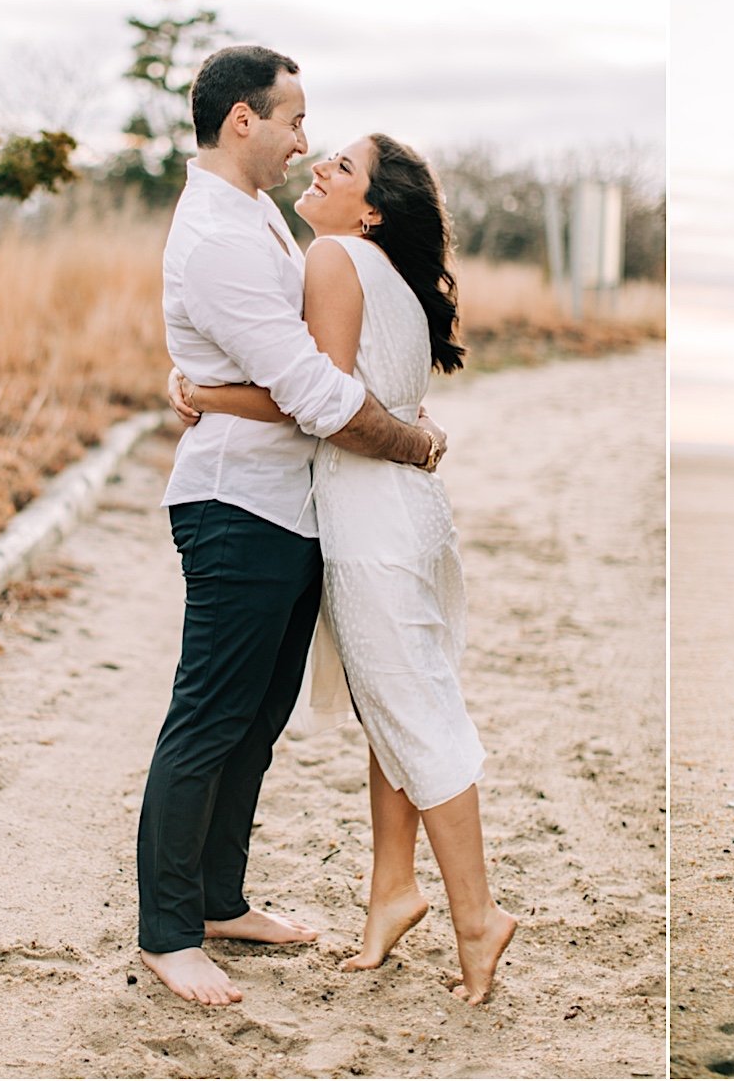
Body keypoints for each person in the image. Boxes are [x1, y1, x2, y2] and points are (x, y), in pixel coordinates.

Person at [173, 131, 517, 1005]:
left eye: (343, 167)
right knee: (392, 707)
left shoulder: (333, 256)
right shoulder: (393, 277)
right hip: (408, 515)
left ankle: (477, 918)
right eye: (321, 154)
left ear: (369, 208)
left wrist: (204, 393)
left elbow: (318, 400)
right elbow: (383, 397)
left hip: (370, 519)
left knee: (417, 711)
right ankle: (391, 890)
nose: (319, 166)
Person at [141, 46, 445, 1008]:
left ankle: (221, 900)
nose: (303, 140)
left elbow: (284, 367)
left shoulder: (258, 219)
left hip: (288, 507)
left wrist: (204, 389)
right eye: (293, 120)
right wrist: (409, 441)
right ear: (244, 121)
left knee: (257, 721)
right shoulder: (224, 235)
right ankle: (167, 932)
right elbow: (312, 387)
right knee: (208, 718)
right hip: (237, 507)